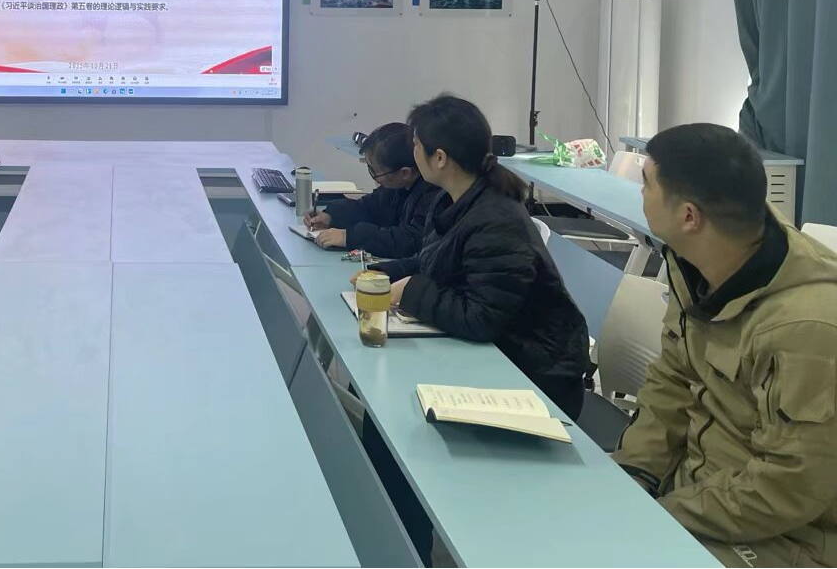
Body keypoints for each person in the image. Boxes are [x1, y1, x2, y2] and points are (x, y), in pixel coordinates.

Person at [613, 124, 837, 568]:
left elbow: (789, 487)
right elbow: (672, 381)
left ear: (689, 216)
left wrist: (661, 515)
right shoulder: (697, 263)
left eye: (647, 183)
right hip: (700, 494)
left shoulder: (808, 325)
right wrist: (634, 474)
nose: (640, 193)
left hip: (788, 536)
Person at [366, 94, 589, 419]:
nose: (412, 153)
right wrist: (383, 273)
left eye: (416, 145)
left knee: (393, 401)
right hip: (492, 352)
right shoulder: (452, 200)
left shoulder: (497, 221)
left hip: (534, 376)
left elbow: (480, 318)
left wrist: (410, 289)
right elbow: (434, 260)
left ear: (439, 158)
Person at [303, 122, 449, 257]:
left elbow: (410, 241)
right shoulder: (397, 185)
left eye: (374, 171)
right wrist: (332, 216)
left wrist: (350, 237)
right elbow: (369, 207)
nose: (374, 178)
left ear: (405, 173)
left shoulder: (433, 193)